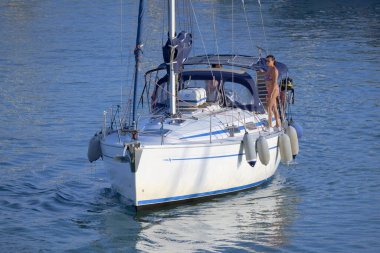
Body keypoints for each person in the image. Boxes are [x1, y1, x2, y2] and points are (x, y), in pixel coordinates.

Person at [265, 55, 281, 129]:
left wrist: (271, 94)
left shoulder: (275, 70)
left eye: (268, 61)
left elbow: (274, 82)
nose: (267, 62)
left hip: (274, 90)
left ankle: (270, 126)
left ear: (273, 61)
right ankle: (278, 124)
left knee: (269, 107)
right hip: (269, 90)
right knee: (274, 107)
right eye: (266, 61)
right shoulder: (269, 69)